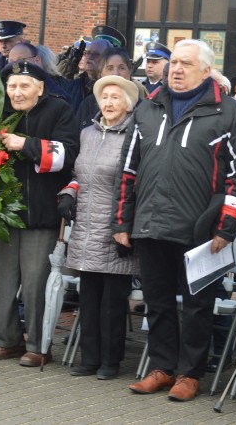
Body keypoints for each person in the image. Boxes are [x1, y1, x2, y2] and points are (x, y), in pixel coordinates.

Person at [112, 39, 236, 402]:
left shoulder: (230, 112)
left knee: (197, 306)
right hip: (151, 223)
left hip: (202, 229)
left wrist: (227, 226)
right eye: (173, 62)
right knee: (156, 301)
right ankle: (161, 367)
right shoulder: (146, 109)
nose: (176, 69)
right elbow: (128, 170)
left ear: (206, 71)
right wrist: (122, 222)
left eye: (186, 64)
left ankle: (190, 373)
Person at [0, 61, 79, 367]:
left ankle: (39, 345)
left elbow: (68, 154)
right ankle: (7, 340)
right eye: (12, 86)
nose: (17, 92)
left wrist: (25, 144)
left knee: (37, 282)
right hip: (4, 211)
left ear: (40, 87)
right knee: (1, 279)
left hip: (42, 212)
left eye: (24, 86)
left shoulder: (59, 110)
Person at [58, 75, 140, 380]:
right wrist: (69, 192)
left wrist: (126, 226)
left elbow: (135, 185)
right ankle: (89, 358)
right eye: (104, 97)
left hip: (116, 229)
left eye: (115, 97)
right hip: (86, 229)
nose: (108, 103)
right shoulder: (87, 134)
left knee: (113, 303)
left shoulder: (135, 136)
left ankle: (110, 361)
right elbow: (80, 174)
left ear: (128, 104)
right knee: (88, 299)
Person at [75, 47, 147, 130]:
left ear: (130, 71)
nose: (116, 73)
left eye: (121, 68)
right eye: (110, 68)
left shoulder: (142, 108)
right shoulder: (87, 105)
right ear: (100, 73)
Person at [64, 25, 124, 114]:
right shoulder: (73, 86)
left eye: (96, 54)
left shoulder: (114, 89)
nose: (89, 57)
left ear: (107, 59)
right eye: (87, 53)